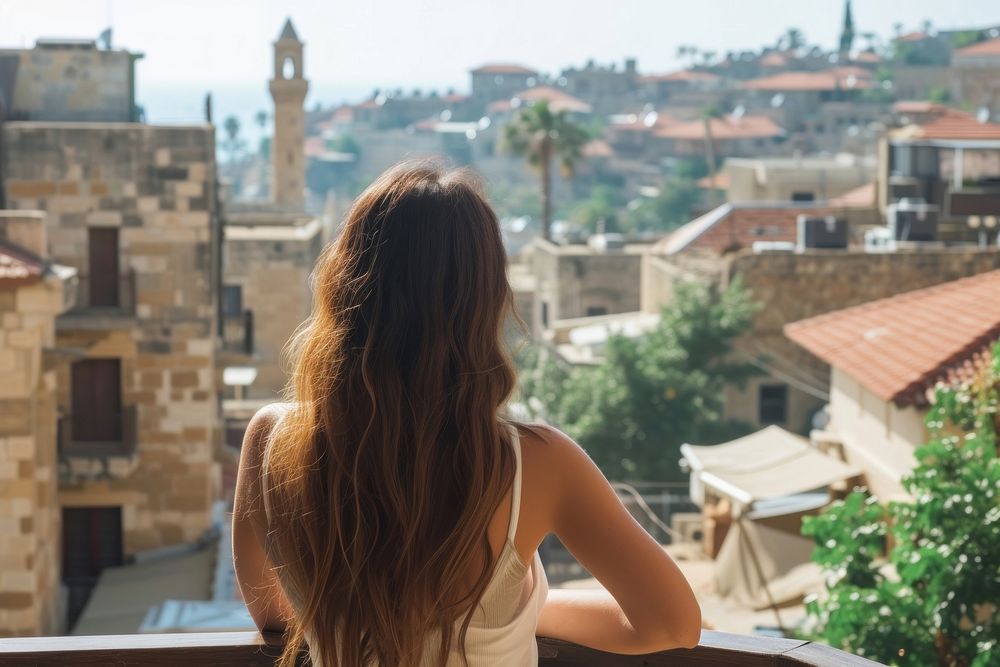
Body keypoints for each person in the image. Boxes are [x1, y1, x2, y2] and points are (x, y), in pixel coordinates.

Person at [232, 162, 702, 667]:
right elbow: (673, 624)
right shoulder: (536, 463)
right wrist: (522, 610)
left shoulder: (273, 441)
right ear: (486, 299)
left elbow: (275, 617)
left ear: (344, 286)